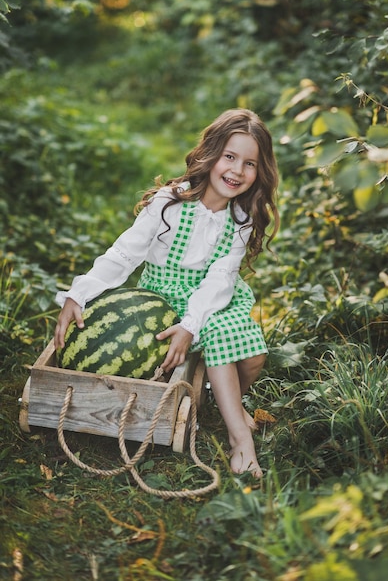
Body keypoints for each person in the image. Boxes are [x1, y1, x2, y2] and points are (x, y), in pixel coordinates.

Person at [55, 108, 279, 477]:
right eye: (230, 157)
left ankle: (221, 396)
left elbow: (220, 280)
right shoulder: (170, 203)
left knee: (253, 359)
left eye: (250, 163)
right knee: (221, 338)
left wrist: (193, 322)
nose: (237, 171)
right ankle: (241, 439)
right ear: (211, 155)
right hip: (166, 297)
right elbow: (125, 254)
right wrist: (80, 293)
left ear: (260, 172)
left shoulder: (241, 219)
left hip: (214, 297)